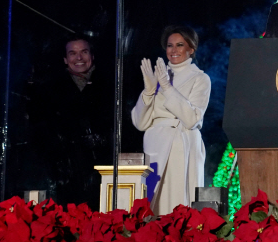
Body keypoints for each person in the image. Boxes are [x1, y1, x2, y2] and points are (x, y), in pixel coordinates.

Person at [131, 26, 210, 216]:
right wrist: (149, 91)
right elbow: (140, 123)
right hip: (156, 144)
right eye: (169, 45)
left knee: (180, 205)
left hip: (184, 143)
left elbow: (192, 119)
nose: (174, 50)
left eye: (180, 45)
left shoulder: (200, 78)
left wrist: (167, 88)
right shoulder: (156, 76)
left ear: (191, 49)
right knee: (154, 202)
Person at [27, 35, 112, 210]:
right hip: (64, 176)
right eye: (72, 53)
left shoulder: (111, 85)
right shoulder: (48, 91)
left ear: (92, 56)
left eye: (84, 52)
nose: (79, 58)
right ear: (65, 59)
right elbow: (40, 134)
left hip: (105, 172)